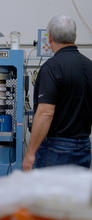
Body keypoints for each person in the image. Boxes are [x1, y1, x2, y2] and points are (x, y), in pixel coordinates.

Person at [23, 15, 92, 171]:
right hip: (84, 145)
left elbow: (46, 113)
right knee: (75, 194)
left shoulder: (52, 68)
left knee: (50, 195)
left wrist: (30, 153)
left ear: (50, 38)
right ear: (74, 36)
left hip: (57, 148)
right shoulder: (89, 66)